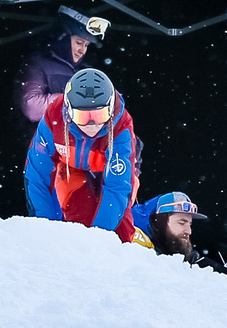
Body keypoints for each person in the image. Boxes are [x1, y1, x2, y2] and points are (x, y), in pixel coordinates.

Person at [26, 67, 144, 240]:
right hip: (71, 168)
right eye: (82, 116)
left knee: (121, 230)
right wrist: (44, 231)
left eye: (99, 115)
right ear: (69, 111)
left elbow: (118, 187)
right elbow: (37, 175)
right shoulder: (53, 116)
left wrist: (98, 240)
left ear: (110, 110)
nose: (91, 124)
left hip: (111, 170)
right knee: (78, 218)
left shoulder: (121, 126)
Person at [17, 7, 108, 125]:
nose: (82, 51)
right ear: (62, 37)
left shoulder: (85, 71)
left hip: (76, 142)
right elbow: (32, 108)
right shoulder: (37, 63)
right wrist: (77, 99)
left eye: (86, 45)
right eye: (79, 43)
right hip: (45, 141)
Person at [130, 190, 204, 256]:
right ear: (160, 221)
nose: (189, 231)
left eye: (190, 224)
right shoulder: (134, 251)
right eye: (181, 223)